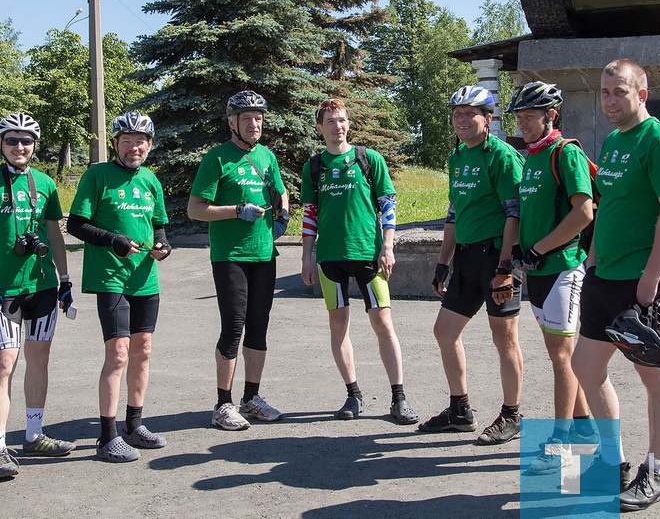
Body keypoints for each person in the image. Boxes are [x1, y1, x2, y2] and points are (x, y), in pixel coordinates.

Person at [571, 59, 660, 512]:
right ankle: (615, 462)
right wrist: (595, 257)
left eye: (619, 92)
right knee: (585, 367)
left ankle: (655, 471)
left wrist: (649, 281)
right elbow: (613, 205)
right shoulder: (618, 142)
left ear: (642, 94)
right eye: (604, 93)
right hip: (606, 276)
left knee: (655, 379)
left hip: (649, 283)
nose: (610, 101)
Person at [0, 113, 75, 480]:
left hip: (41, 288)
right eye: (12, 141)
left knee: (39, 359)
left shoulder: (44, 183)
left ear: (35, 145)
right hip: (4, 293)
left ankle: (34, 434)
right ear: (1, 144)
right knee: (5, 365)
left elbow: (55, 235)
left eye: (26, 141)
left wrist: (66, 279)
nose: (19, 147)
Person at [299, 98, 418, 425]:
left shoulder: (369, 159)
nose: (337, 126)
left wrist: (388, 246)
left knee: (383, 323)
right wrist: (306, 257)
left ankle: (399, 397)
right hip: (330, 259)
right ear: (320, 127)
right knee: (338, 326)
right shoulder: (314, 166)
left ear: (348, 124)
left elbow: (388, 204)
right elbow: (310, 217)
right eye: (330, 121)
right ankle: (353, 394)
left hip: (368, 254)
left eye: (342, 120)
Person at [419, 85, 525, 445]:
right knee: (444, 332)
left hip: (497, 257)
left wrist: (506, 267)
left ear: (488, 118)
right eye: (457, 114)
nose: (462, 120)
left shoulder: (502, 156)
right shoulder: (457, 157)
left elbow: (515, 213)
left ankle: (512, 415)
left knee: (504, 338)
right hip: (464, 257)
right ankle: (460, 409)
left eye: (470, 113)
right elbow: (453, 214)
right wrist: (442, 262)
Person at [67, 112, 171, 463]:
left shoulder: (151, 181)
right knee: (119, 354)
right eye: (126, 141)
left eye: (140, 141)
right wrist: (113, 240)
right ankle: (107, 436)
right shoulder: (97, 175)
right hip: (110, 278)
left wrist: (163, 247)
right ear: (115, 144)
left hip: (145, 278)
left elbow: (158, 226)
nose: (134, 147)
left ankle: (135, 425)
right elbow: (77, 224)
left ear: (150, 145)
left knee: (143, 352)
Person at [505, 82, 597, 473]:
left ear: (551, 116)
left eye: (530, 116)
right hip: (537, 271)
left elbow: (584, 212)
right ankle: (588, 431)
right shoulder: (531, 157)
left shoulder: (566, 153)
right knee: (559, 356)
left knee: (564, 358)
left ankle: (562, 443)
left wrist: (539, 248)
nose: (523, 123)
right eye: (519, 117)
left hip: (563, 267)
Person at [188, 91, 289, 432]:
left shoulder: (266, 156)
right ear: (232, 122)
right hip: (230, 256)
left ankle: (252, 398)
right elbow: (196, 209)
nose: (254, 123)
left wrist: (283, 216)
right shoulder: (217, 158)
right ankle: (223, 404)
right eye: (246, 118)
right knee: (233, 328)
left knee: (258, 327)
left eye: (258, 117)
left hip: (264, 253)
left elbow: (279, 189)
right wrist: (235, 211)